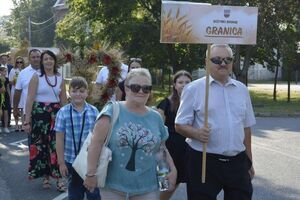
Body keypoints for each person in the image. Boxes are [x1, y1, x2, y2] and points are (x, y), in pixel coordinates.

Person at [175, 44, 256, 200]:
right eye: (217, 59)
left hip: (237, 162)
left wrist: (249, 161)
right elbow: (179, 124)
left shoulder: (242, 89)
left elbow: (246, 128)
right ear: (206, 62)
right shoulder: (193, 89)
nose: (223, 63)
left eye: (228, 59)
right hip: (204, 161)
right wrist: (196, 133)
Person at [84, 68, 177, 199]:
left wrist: (171, 171)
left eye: (146, 88)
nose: (141, 91)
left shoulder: (156, 117)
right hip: (113, 187)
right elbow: (96, 144)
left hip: (147, 188)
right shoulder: (112, 111)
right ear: (126, 89)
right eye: (135, 87)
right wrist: (90, 174)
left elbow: (161, 150)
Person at [24, 50, 68, 192]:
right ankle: (46, 177)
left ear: (54, 61)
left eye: (51, 59)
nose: (48, 61)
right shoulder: (36, 77)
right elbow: (30, 99)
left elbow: (63, 101)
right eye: (45, 59)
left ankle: (60, 179)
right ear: (42, 62)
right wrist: (27, 120)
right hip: (39, 116)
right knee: (41, 146)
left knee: (56, 147)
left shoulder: (60, 78)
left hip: (56, 116)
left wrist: (68, 117)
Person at [55, 76, 101, 200]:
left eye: (81, 91)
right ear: (69, 92)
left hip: (90, 162)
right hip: (71, 160)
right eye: (74, 91)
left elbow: (98, 138)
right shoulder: (63, 112)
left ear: (87, 93)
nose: (78, 94)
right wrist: (61, 163)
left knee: (93, 193)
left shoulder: (94, 111)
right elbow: (59, 139)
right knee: (75, 193)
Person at [156, 70, 192, 200]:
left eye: (187, 82)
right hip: (168, 150)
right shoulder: (165, 103)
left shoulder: (195, 103)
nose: (184, 85)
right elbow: (157, 130)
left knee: (185, 183)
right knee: (166, 185)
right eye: (180, 82)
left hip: (187, 150)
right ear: (175, 85)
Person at [13, 49, 41, 133]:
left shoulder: (47, 71)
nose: (36, 59)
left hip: (46, 110)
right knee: (31, 140)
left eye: (38, 57)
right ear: (29, 59)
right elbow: (17, 92)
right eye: (33, 57)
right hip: (29, 111)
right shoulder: (23, 73)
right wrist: (15, 109)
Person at [9, 56, 25, 132]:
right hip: (15, 90)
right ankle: (16, 124)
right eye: (17, 62)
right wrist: (15, 81)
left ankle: (22, 125)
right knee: (16, 108)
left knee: (22, 109)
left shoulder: (25, 70)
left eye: (20, 62)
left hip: (23, 92)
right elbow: (10, 81)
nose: (19, 63)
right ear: (15, 63)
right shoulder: (13, 70)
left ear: (23, 63)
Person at [0, 67, 11, 133]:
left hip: (5, 97)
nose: (5, 73)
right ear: (0, 72)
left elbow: (8, 88)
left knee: (6, 112)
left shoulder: (7, 79)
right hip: (0, 96)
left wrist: (10, 96)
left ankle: (6, 127)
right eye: (3, 71)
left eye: (5, 71)